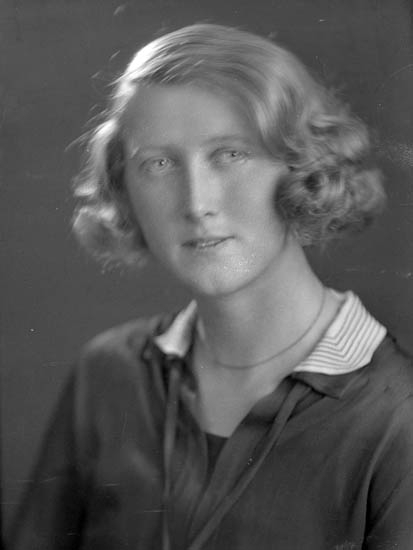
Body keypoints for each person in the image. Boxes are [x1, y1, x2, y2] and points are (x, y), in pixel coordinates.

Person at [8, 23, 413, 550]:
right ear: (125, 189)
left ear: (303, 166)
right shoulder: (108, 374)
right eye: (158, 164)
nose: (196, 203)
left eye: (230, 154)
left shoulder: (395, 416)